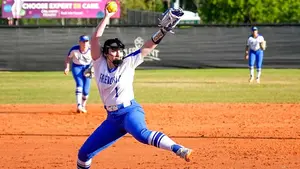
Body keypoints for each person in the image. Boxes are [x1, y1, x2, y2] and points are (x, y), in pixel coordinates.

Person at [76, 7, 192, 169]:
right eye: (114, 50)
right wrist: (107, 16)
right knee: (83, 155)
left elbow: (148, 45)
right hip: (112, 119)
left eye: (119, 50)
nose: (118, 53)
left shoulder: (128, 62)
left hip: (129, 111)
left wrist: (163, 31)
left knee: (142, 135)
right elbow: (95, 38)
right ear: (106, 53)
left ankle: (178, 148)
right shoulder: (99, 63)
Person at [64, 35, 93, 113]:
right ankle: (79, 105)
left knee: (86, 91)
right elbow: (68, 58)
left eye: (86, 41)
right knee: (79, 84)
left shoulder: (92, 49)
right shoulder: (74, 49)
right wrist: (67, 67)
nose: (85, 43)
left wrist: (92, 68)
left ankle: (83, 105)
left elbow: (97, 59)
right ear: (79, 42)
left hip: (88, 68)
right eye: (83, 41)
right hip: (77, 67)